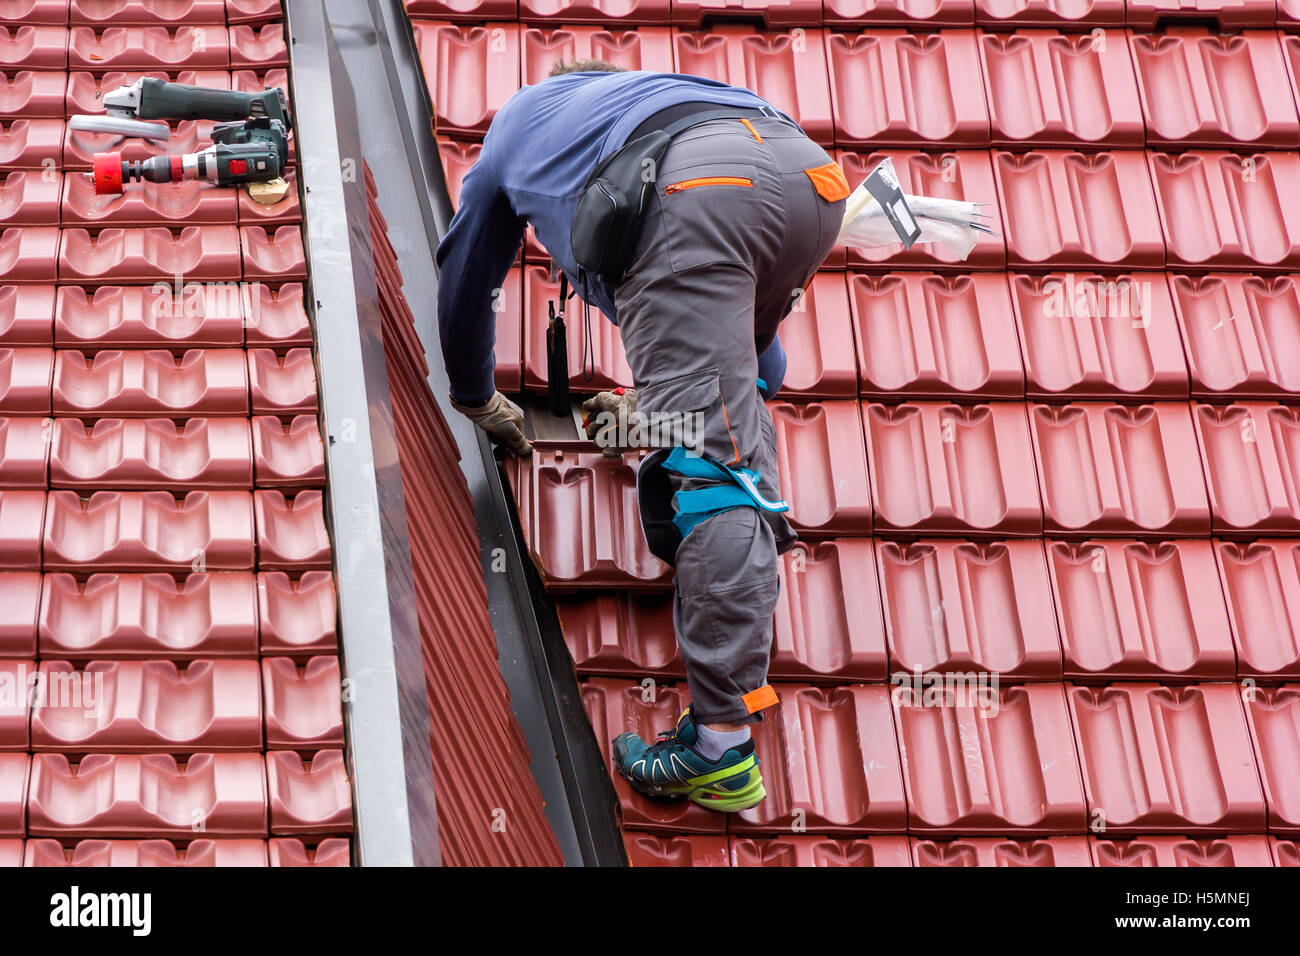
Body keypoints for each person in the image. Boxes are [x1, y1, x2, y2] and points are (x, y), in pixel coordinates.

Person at [437, 60, 847, 812]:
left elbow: (468, 275)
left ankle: (719, 747)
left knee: (716, 469)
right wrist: (675, 406)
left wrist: (471, 392)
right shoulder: (655, 99)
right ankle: (720, 552)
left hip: (703, 195)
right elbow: (758, 359)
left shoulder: (519, 123)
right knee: (720, 428)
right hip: (809, 178)